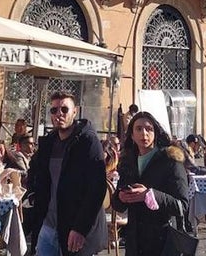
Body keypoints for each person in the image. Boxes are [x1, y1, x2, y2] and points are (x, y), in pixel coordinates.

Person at [24, 91, 107, 256]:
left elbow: (97, 189)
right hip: (47, 226)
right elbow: (36, 171)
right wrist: (33, 194)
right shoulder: (48, 142)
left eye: (64, 109)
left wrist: (80, 228)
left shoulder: (88, 141)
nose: (59, 114)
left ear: (75, 111)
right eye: (54, 110)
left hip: (74, 228)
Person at [111, 111, 192, 256]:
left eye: (149, 129)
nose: (144, 133)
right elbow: (117, 203)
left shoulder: (170, 161)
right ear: (131, 134)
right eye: (139, 129)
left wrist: (150, 195)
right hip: (135, 241)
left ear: (156, 132)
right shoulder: (128, 162)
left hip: (163, 240)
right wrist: (121, 197)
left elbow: (182, 205)